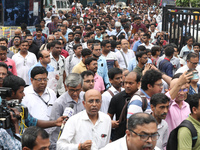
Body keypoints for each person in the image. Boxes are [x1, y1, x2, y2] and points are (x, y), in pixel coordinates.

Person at [49, 73, 85, 149]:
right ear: (66, 87)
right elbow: (54, 129)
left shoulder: (85, 98)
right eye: (72, 90)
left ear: (81, 87)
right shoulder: (59, 103)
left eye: (78, 90)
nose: (75, 93)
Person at [108, 71, 141, 141]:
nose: (127, 86)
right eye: (125, 83)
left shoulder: (142, 99)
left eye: (130, 83)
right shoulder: (116, 98)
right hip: (119, 139)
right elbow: (108, 117)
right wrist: (110, 122)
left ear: (138, 83)